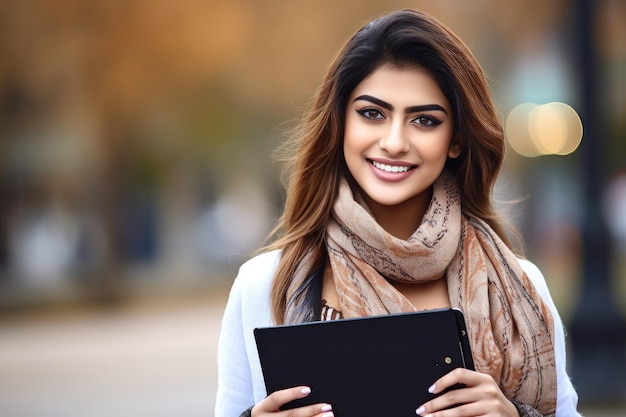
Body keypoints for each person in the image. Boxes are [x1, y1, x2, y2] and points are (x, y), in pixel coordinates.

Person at [215, 9, 580, 417]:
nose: (394, 141)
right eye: (372, 113)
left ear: (455, 139)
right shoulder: (264, 286)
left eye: (424, 120)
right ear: (340, 124)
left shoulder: (520, 286)